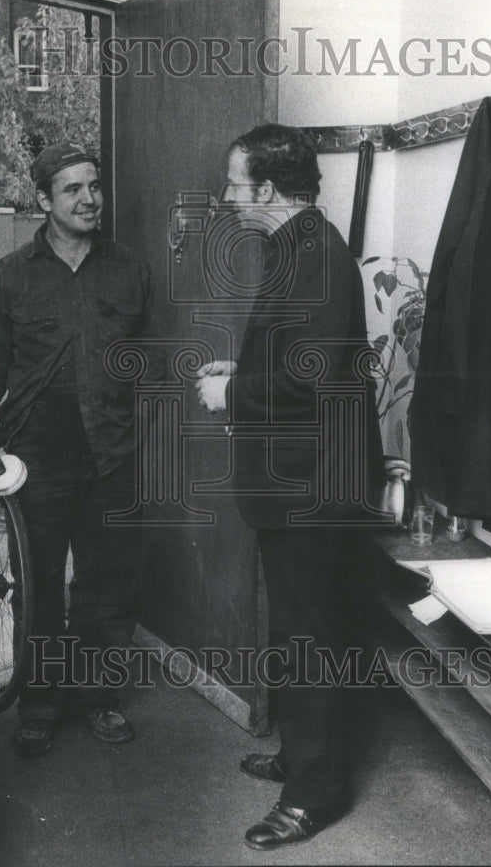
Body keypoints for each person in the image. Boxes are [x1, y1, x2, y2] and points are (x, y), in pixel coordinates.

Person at [196, 124, 385, 850]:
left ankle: (314, 795)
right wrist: (237, 380)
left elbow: (304, 378)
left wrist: (230, 394)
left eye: (235, 185)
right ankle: (302, 756)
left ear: (267, 190)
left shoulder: (312, 255)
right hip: (297, 481)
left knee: (311, 635)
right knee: (297, 627)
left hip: (311, 485)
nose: (226, 197)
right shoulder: (298, 245)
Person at [0, 140, 154, 757]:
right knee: (37, 582)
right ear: (44, 200)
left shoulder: (129, 269)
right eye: (72, 189)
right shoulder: (12, 275)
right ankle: (39, 701)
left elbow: (149, 365)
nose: (89, 198)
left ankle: (97, 696)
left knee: (107, 581)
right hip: (36, 458)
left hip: (112, 455)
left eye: (93, 185)